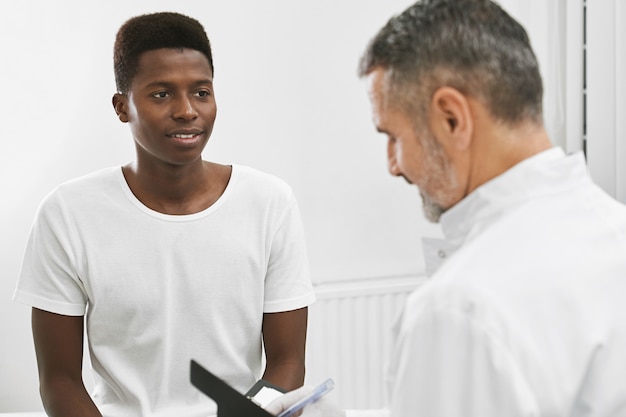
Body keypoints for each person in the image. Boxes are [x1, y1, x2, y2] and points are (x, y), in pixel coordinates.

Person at [267, 0, 626, 416]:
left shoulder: (460, 308)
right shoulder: (614, 231)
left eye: (393, 136)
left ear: (452, 119)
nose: (393, 165)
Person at [13, 11, 315, 417]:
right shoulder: (68, 213)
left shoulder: (269, 202)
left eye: (201, 92)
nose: (187, 110)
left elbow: (287, 361)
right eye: (161, 94)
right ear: (122, 107)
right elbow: (59, 379)